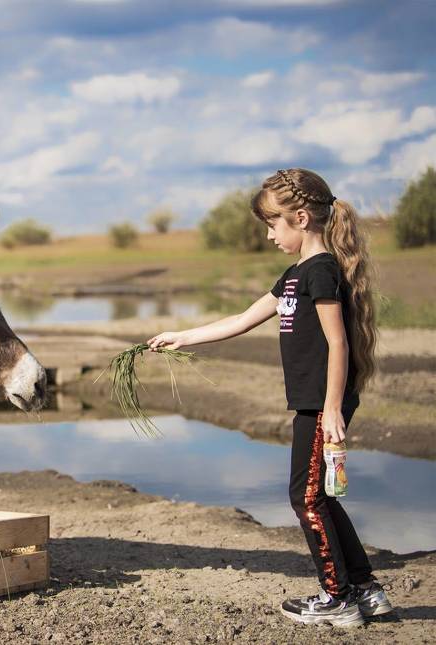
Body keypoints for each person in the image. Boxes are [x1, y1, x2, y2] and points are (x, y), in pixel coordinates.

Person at [147, 168, 392, 628]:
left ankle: (337, 598)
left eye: (273, 223)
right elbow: (242, 319)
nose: (268, 233)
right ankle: (366, 588)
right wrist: (182, 336)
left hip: (323, 405)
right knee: (321, 497)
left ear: (300, 218)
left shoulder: (321, 272)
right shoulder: (296, 274)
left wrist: (334, 408)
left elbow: (338, 344)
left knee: (305, 499)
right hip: (315, 403)